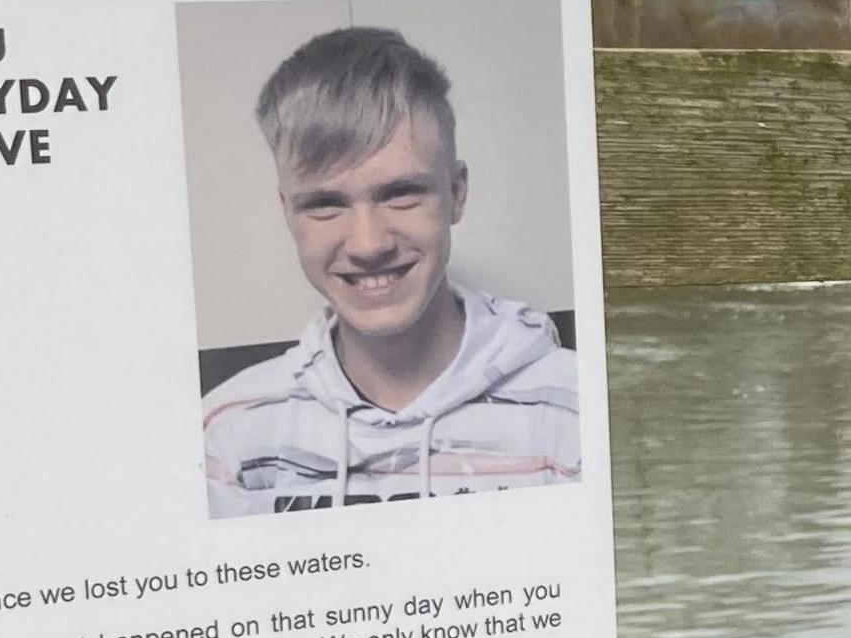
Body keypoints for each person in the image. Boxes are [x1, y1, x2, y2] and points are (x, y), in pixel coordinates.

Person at [203, 26, 580, 517]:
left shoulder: (576, 410)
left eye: (400, 193)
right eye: (324, 204)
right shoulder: (226, 433)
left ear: (456, 193)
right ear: (287, 214)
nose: (368, 243)